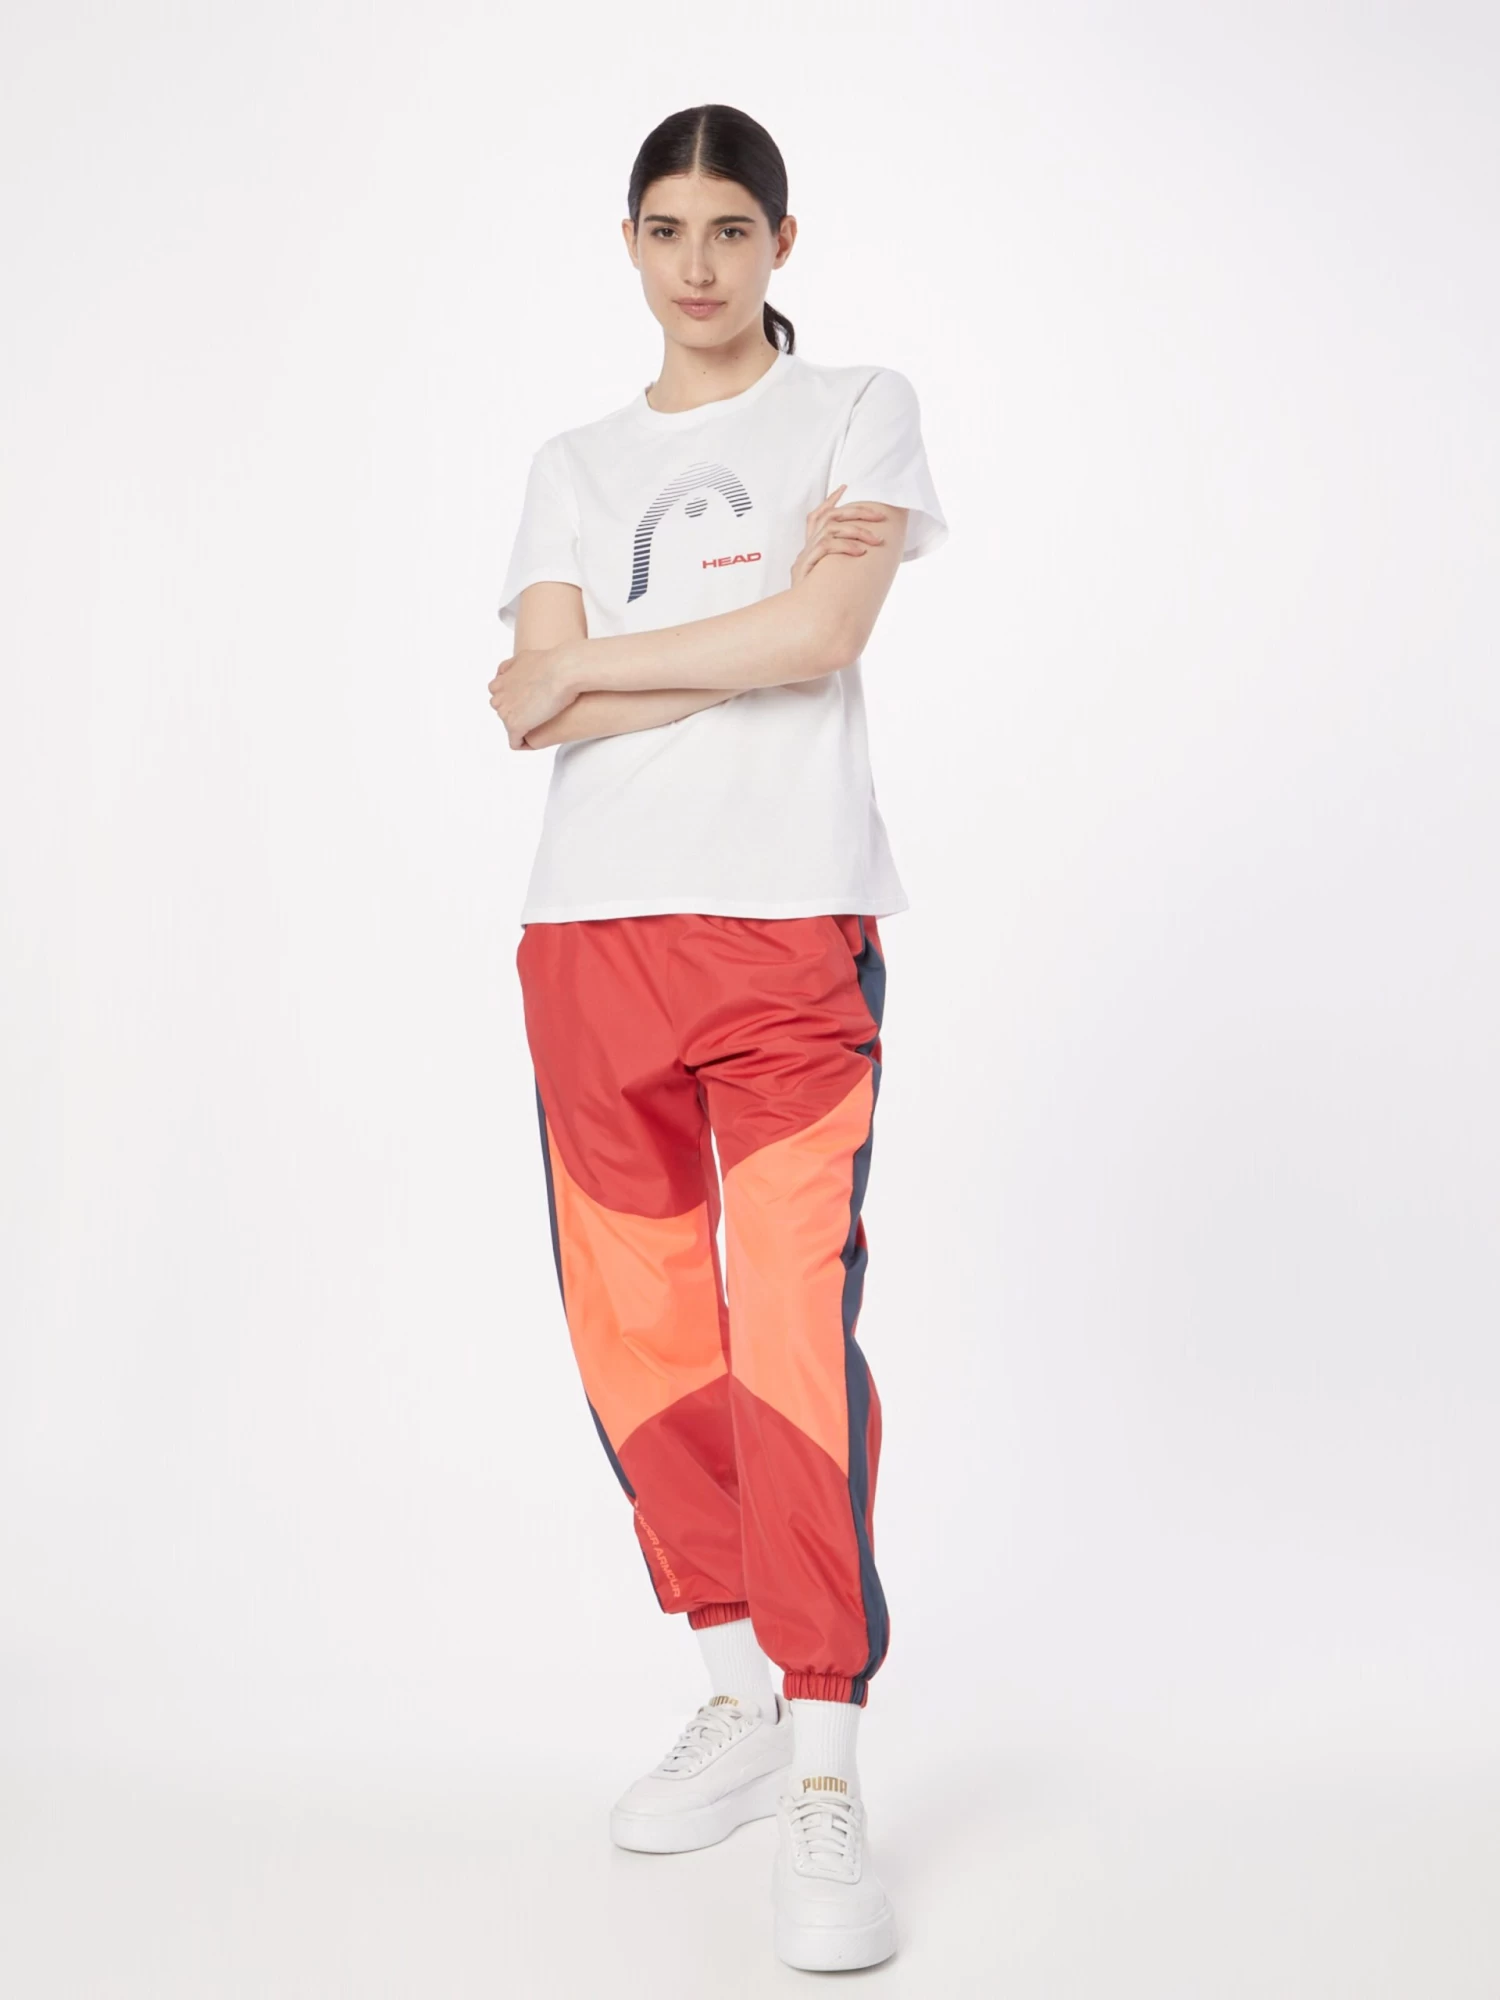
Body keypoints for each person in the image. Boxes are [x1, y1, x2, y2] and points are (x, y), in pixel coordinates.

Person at [489, 102, 947, 1974]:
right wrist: (689, 643)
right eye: (667, 229)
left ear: (780, 244)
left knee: (792, 1343)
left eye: (731, 229)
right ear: (630, 244)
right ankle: (736, 1696)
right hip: (589, 939)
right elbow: (525, 712)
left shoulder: (855, 411)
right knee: (643, 1340)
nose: (698, 264)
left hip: (786, 932)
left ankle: (827, 1757)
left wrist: (595, 659)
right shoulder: (572, 463)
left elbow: (820, 639)